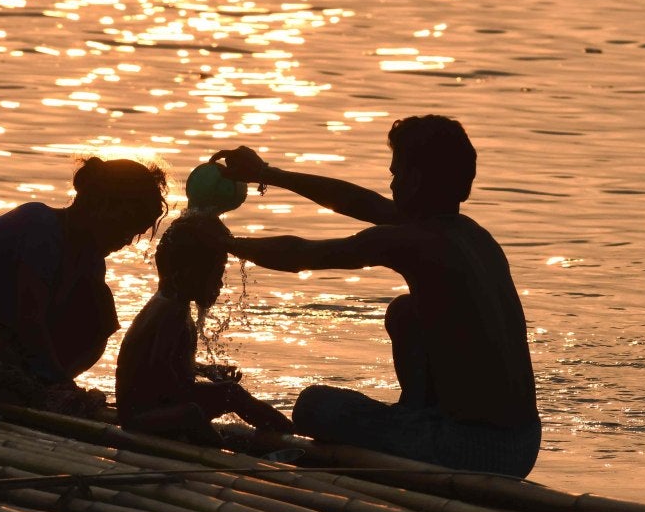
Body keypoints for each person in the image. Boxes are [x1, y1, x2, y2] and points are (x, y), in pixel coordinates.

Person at [209, 115, 540, 478]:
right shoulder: (475, 237)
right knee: (406, 312)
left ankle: (417, 430)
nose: (392, 183)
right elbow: (358, 201)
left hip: (471, 453)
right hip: (523, 444)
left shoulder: (413, 241)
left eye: (397, 174)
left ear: (416, 181)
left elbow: (304, 255)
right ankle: (417, 416)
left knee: (314, 406)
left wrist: (225, 244)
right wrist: (267, 174)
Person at [0, 156, 167, 410]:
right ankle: (39, 383)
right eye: (125, 227)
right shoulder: (39, 227)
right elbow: (29, 317)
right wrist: (59, 385)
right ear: (101, 207)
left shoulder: (89, 257)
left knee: (99, 307)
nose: (127, 240)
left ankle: (37, 380)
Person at [115, 211, 293, 444]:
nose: (219, 284)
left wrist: (204, 371)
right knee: (204, 407)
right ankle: (225, 449)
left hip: (150, 407)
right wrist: (197, 389)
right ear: (189, 272)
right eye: (216, 274)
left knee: (227, 394)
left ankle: (290, 433)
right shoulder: (172, 311)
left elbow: (161, 365)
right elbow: (160, 368)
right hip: (143, 416)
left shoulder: (170, 300)